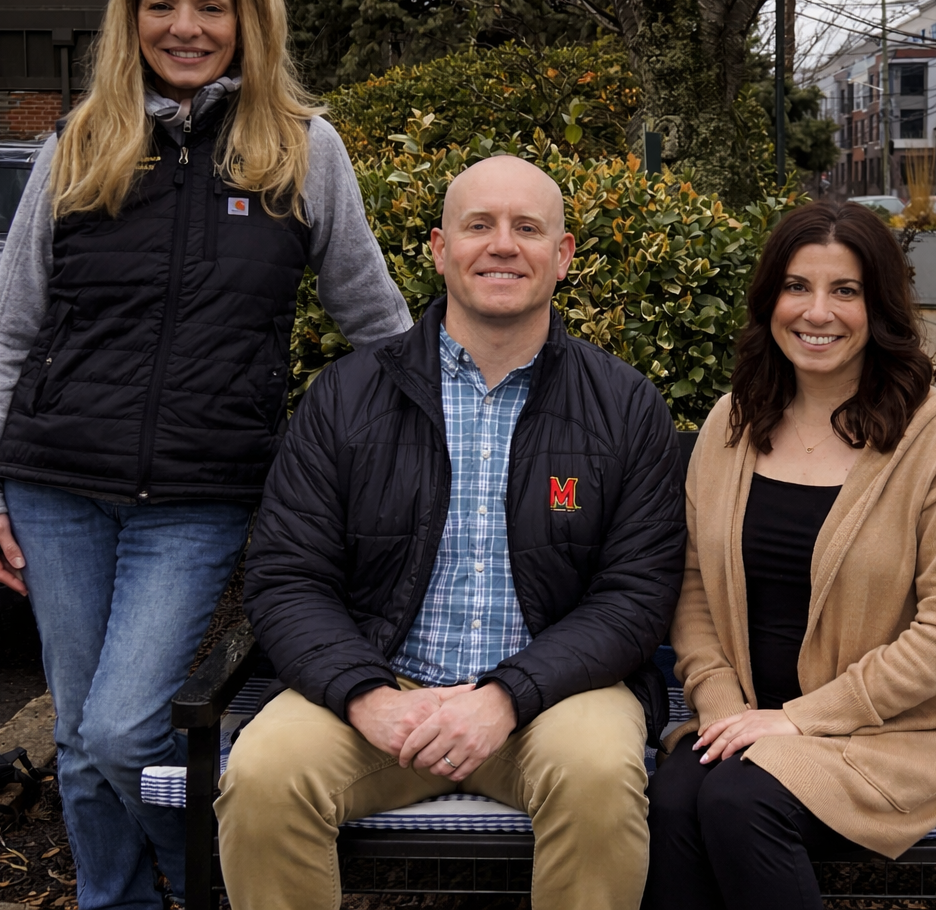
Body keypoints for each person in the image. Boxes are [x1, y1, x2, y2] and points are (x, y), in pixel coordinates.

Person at [0, 0, 410, 909]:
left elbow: (376, 320)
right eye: (163, 5)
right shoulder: (81, 142)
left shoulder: (300, 148)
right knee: (78, 738)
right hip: (55, 487)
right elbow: (10, 331)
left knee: (120, 727)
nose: (186, 27)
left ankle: (216, 882)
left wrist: (438, 437)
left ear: (248, 18)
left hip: (199, 498)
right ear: (133, 14)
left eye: (210, 6)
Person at [216, 153, 687, 910]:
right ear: (440, 249)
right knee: (265, 775)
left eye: (527, 228)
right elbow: (286, 576)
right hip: (382, 686)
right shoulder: (346, 396)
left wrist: (504, 697)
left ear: (562, 256)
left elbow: (636, 595)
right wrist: (367, 695)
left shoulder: (624, 406)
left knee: (600, 777)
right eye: (479, 226)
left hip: (554, 699)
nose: (503, 245)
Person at [644, 202, 936, 910]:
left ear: (881, 308)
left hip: (892, 732)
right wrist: (721, 709)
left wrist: (798, 720)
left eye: (846, 291)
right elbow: (691, 589)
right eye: (796, 287)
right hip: (749, 714)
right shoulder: (732, 422)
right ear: (769, 300)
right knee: (676, 796)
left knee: (737, 802)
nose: (818, 312)